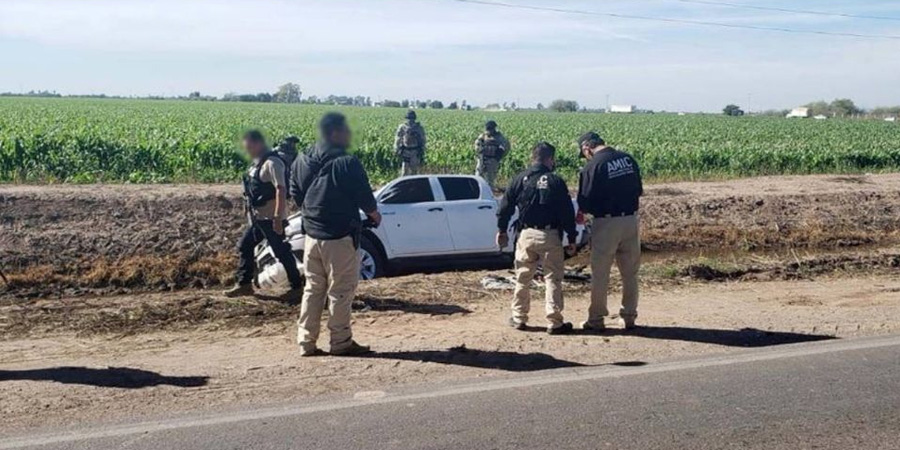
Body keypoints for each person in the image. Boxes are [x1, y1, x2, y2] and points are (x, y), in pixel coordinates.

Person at [290, 112, 382, 357]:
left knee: (313, 289)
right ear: (334, 133)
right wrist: (374, 215)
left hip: (311, 235)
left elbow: (296, 193)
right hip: (339, 236)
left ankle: (306, 342)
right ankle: (341, 342)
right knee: (341, 290)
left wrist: (313, 212)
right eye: (346, 130)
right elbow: (365, 198)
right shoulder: (346, 162)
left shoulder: (302, 158)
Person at [496, 142, 578, 335]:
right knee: (552, 278)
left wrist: (502, 230)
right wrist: (572, 237)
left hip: (526, 235)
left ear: (533, 158)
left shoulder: (519, 179)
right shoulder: (556, 181)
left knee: (523, 277)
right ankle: (554, 322)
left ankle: (519, 317)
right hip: (550, 235)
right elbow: (567, 212)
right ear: (550, 159)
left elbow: (505, 207)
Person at [576, 132, 643, 331]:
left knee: (601, 274)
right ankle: (629, 316)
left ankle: (596, 318)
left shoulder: (593, 166)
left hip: (606, 222)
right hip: (630, 220)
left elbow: (584, 201)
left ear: (587, 148)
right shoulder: (628, 159)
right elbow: (639, 189)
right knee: (630, 272)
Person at [224, 130, 303, 299]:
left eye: (249, 147)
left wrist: (277, 218)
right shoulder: (258, 163)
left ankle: (297, 286)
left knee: (281, 252)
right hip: (259, 219)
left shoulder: (273, 163)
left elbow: (281, 189)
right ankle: (244, 284)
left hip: (271, 218)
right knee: (245, 245)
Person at [474, 120, 510, 189]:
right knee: (478, 177)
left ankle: (489, 192)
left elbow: (507, 147)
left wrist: (499, 156)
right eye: (487, 129)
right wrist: (480, 151)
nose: (488, 131)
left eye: (490, 129)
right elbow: (476, 145)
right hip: (482, 159)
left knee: (490, 180)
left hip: (492, 160)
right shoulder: (482, 136)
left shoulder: (499, 137)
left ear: (494, 129)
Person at [394, 110, 426, 176]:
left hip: (415, 151)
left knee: (414, 171)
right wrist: (396, 149)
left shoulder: (418, 128)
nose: (410, 120)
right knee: (404, 171)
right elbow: (398, 138)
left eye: (412, 118)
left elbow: (423, 139)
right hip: (405, 151)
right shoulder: (402, 127)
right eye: (409, 118)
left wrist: (422, 149)